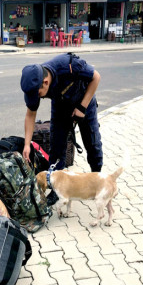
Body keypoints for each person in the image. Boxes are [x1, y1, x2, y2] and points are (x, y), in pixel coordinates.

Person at [20, 53, 102, 204]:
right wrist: (27, 144)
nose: (36, 98)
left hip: (85, 102)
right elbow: (30, 114)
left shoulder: (67, 66)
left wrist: (82, 107)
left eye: (38, 94)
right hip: (60, 106)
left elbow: (96, 77)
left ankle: (98, 181)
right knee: (56, 147)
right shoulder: (35, 83)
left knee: (92, 144)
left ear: (45, 82)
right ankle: (57, 190)